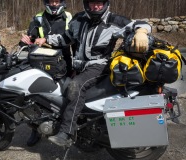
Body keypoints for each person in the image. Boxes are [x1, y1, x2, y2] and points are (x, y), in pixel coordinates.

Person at [32, 0, 151, 147]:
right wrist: (46, 39)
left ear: (105, 4)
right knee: (60, 88)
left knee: (76, 86)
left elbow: (139, 23)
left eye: (99, 3)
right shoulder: (78, 19)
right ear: (86, 4)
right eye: (92, 3)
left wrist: (141, 31)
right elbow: (66, 37)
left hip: (99, 66)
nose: (96, 7)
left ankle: (67, 133)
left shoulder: (114, 21)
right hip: (80, 67)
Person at [21, 0, 73, 77]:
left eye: (57, 1)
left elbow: (74, 41)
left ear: (61, 2)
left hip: (63, 61)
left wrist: (76, 67)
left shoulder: (68, 17)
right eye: (52, 1)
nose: (54, 4)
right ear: (47, 2)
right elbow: (32, 38)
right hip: (43, 60)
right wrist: (25, 40)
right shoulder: (38, 17)